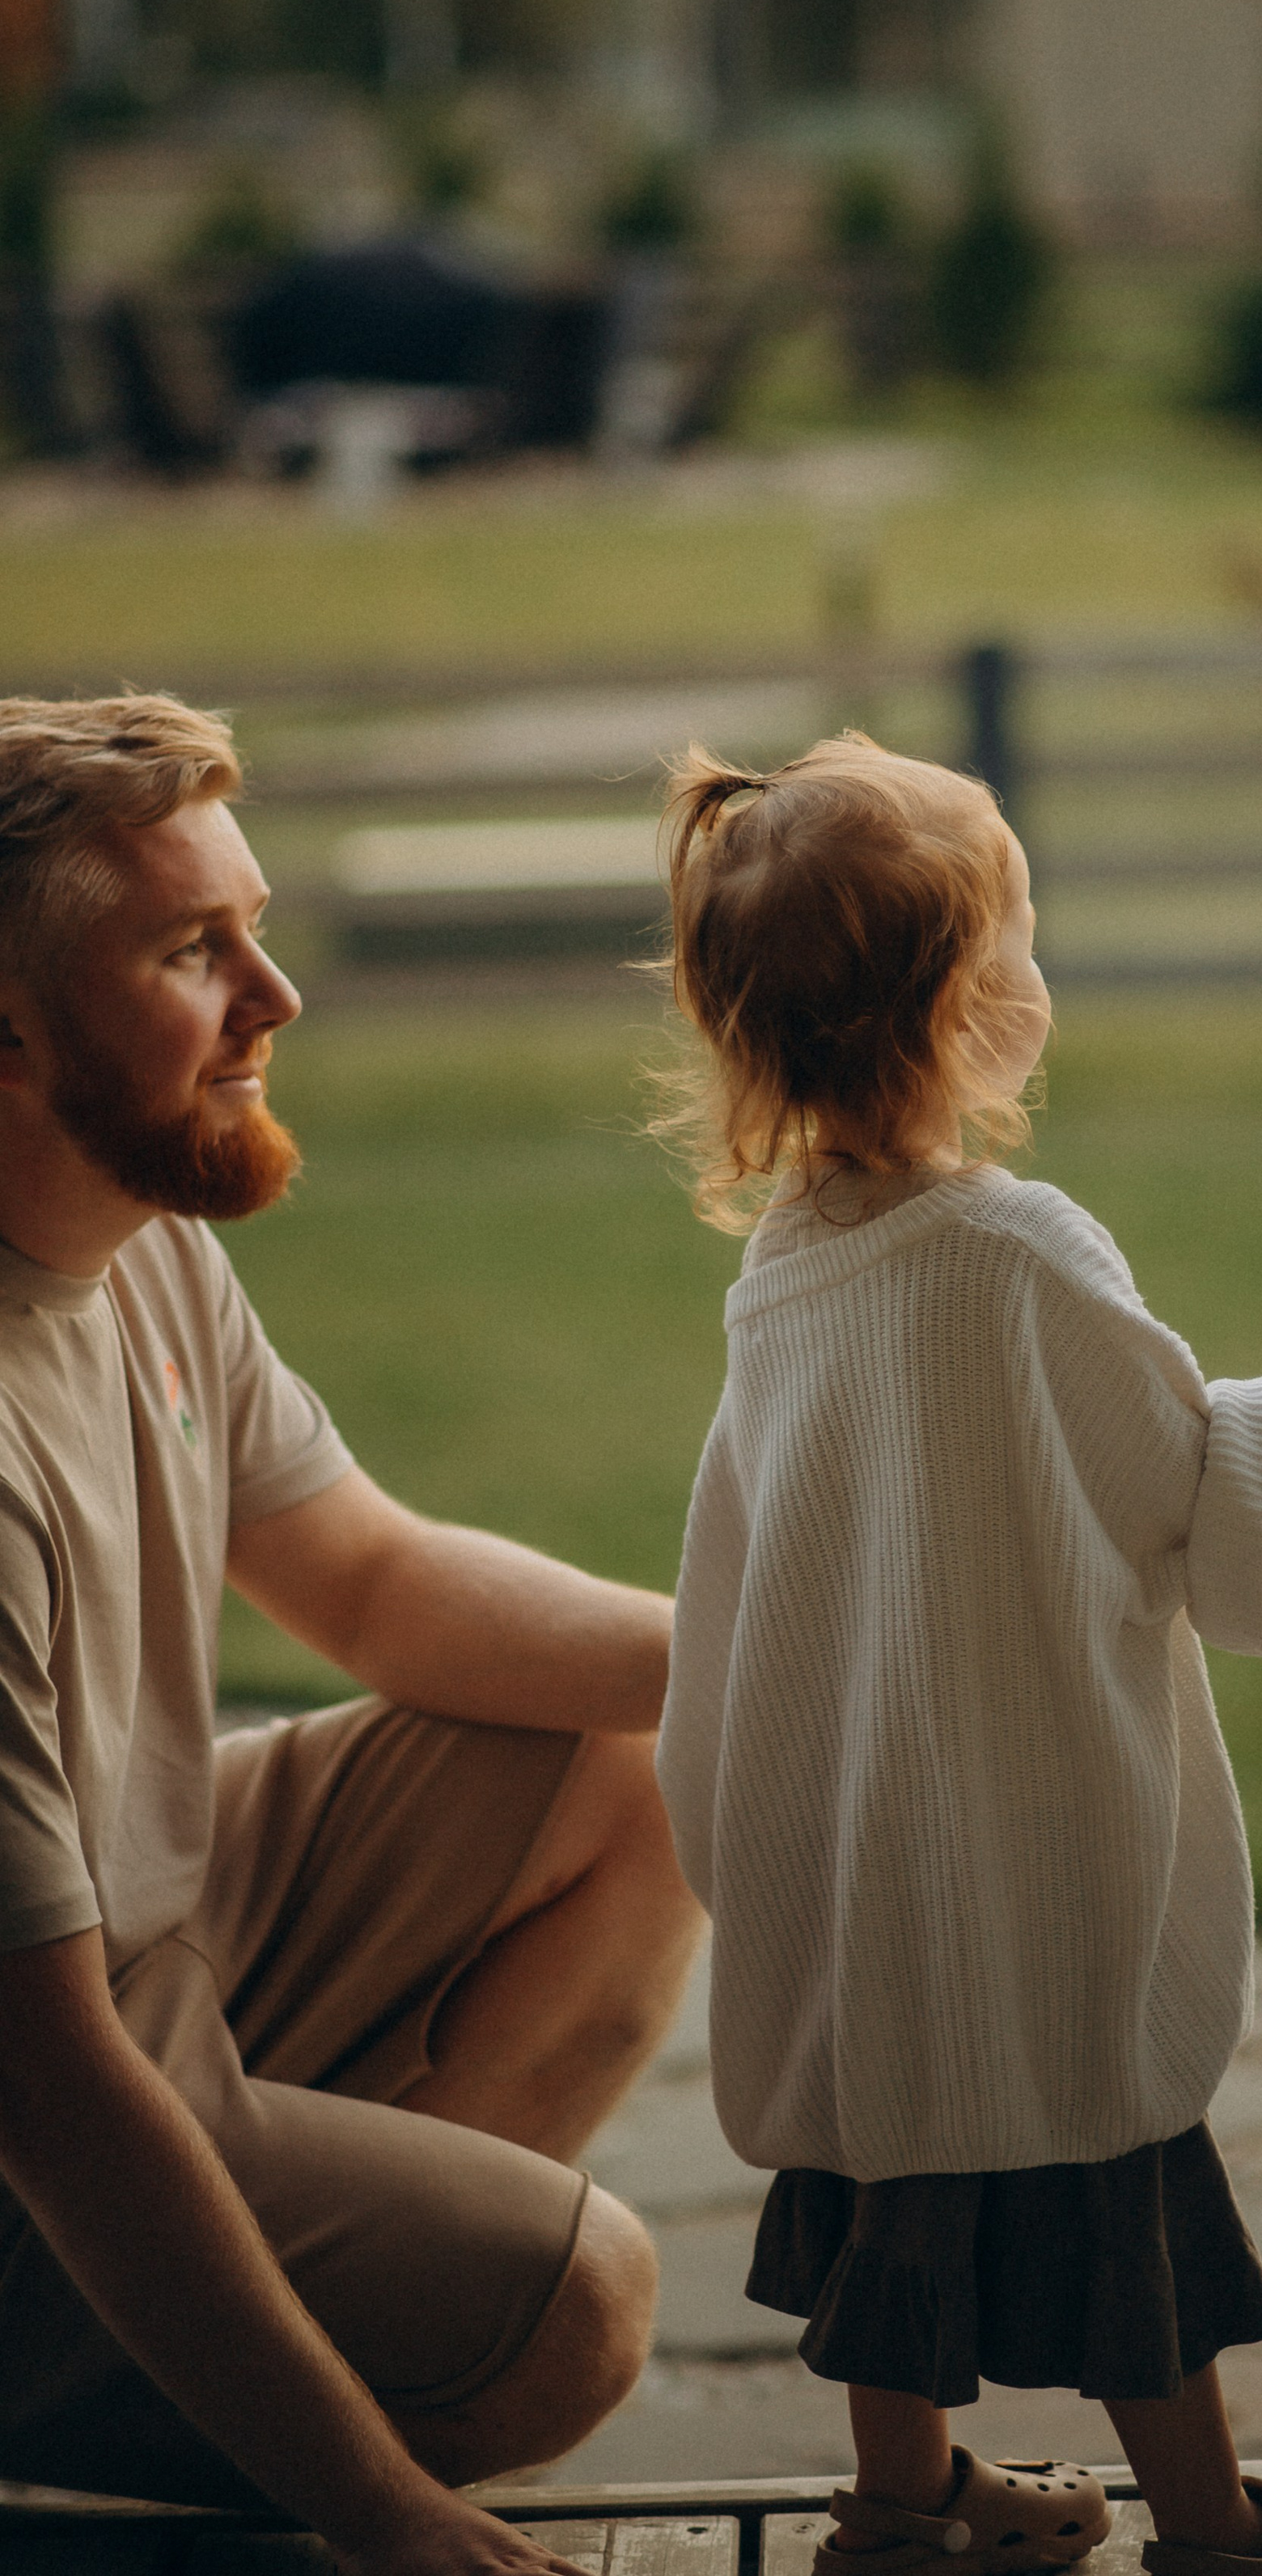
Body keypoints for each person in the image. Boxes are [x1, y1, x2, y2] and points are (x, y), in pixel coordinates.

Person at [650, 734, 1262, 2576]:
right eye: (1015, 935)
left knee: (883, 2167)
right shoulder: (1015, 1252)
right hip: (1021, 1838)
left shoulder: (791, 1260)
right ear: (971, 1001)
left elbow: (755, 1549)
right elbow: (1183, 1467)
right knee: (1113, 2172)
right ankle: (1214, 2527)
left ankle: (906, 2505)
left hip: (867, 1835)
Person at [0, 695, 702, 2575]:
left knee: (654, 1744)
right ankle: (349, 2408)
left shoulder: (140, 1234)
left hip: (160, 1936)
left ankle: (339, 2311)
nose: (274, 993)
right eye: (187, 949)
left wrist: (798, 1658)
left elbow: (377, 1584)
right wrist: (385, 2519)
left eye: (252, 923)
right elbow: (53, 2089)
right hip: (38, 2097)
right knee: (580, 2310)